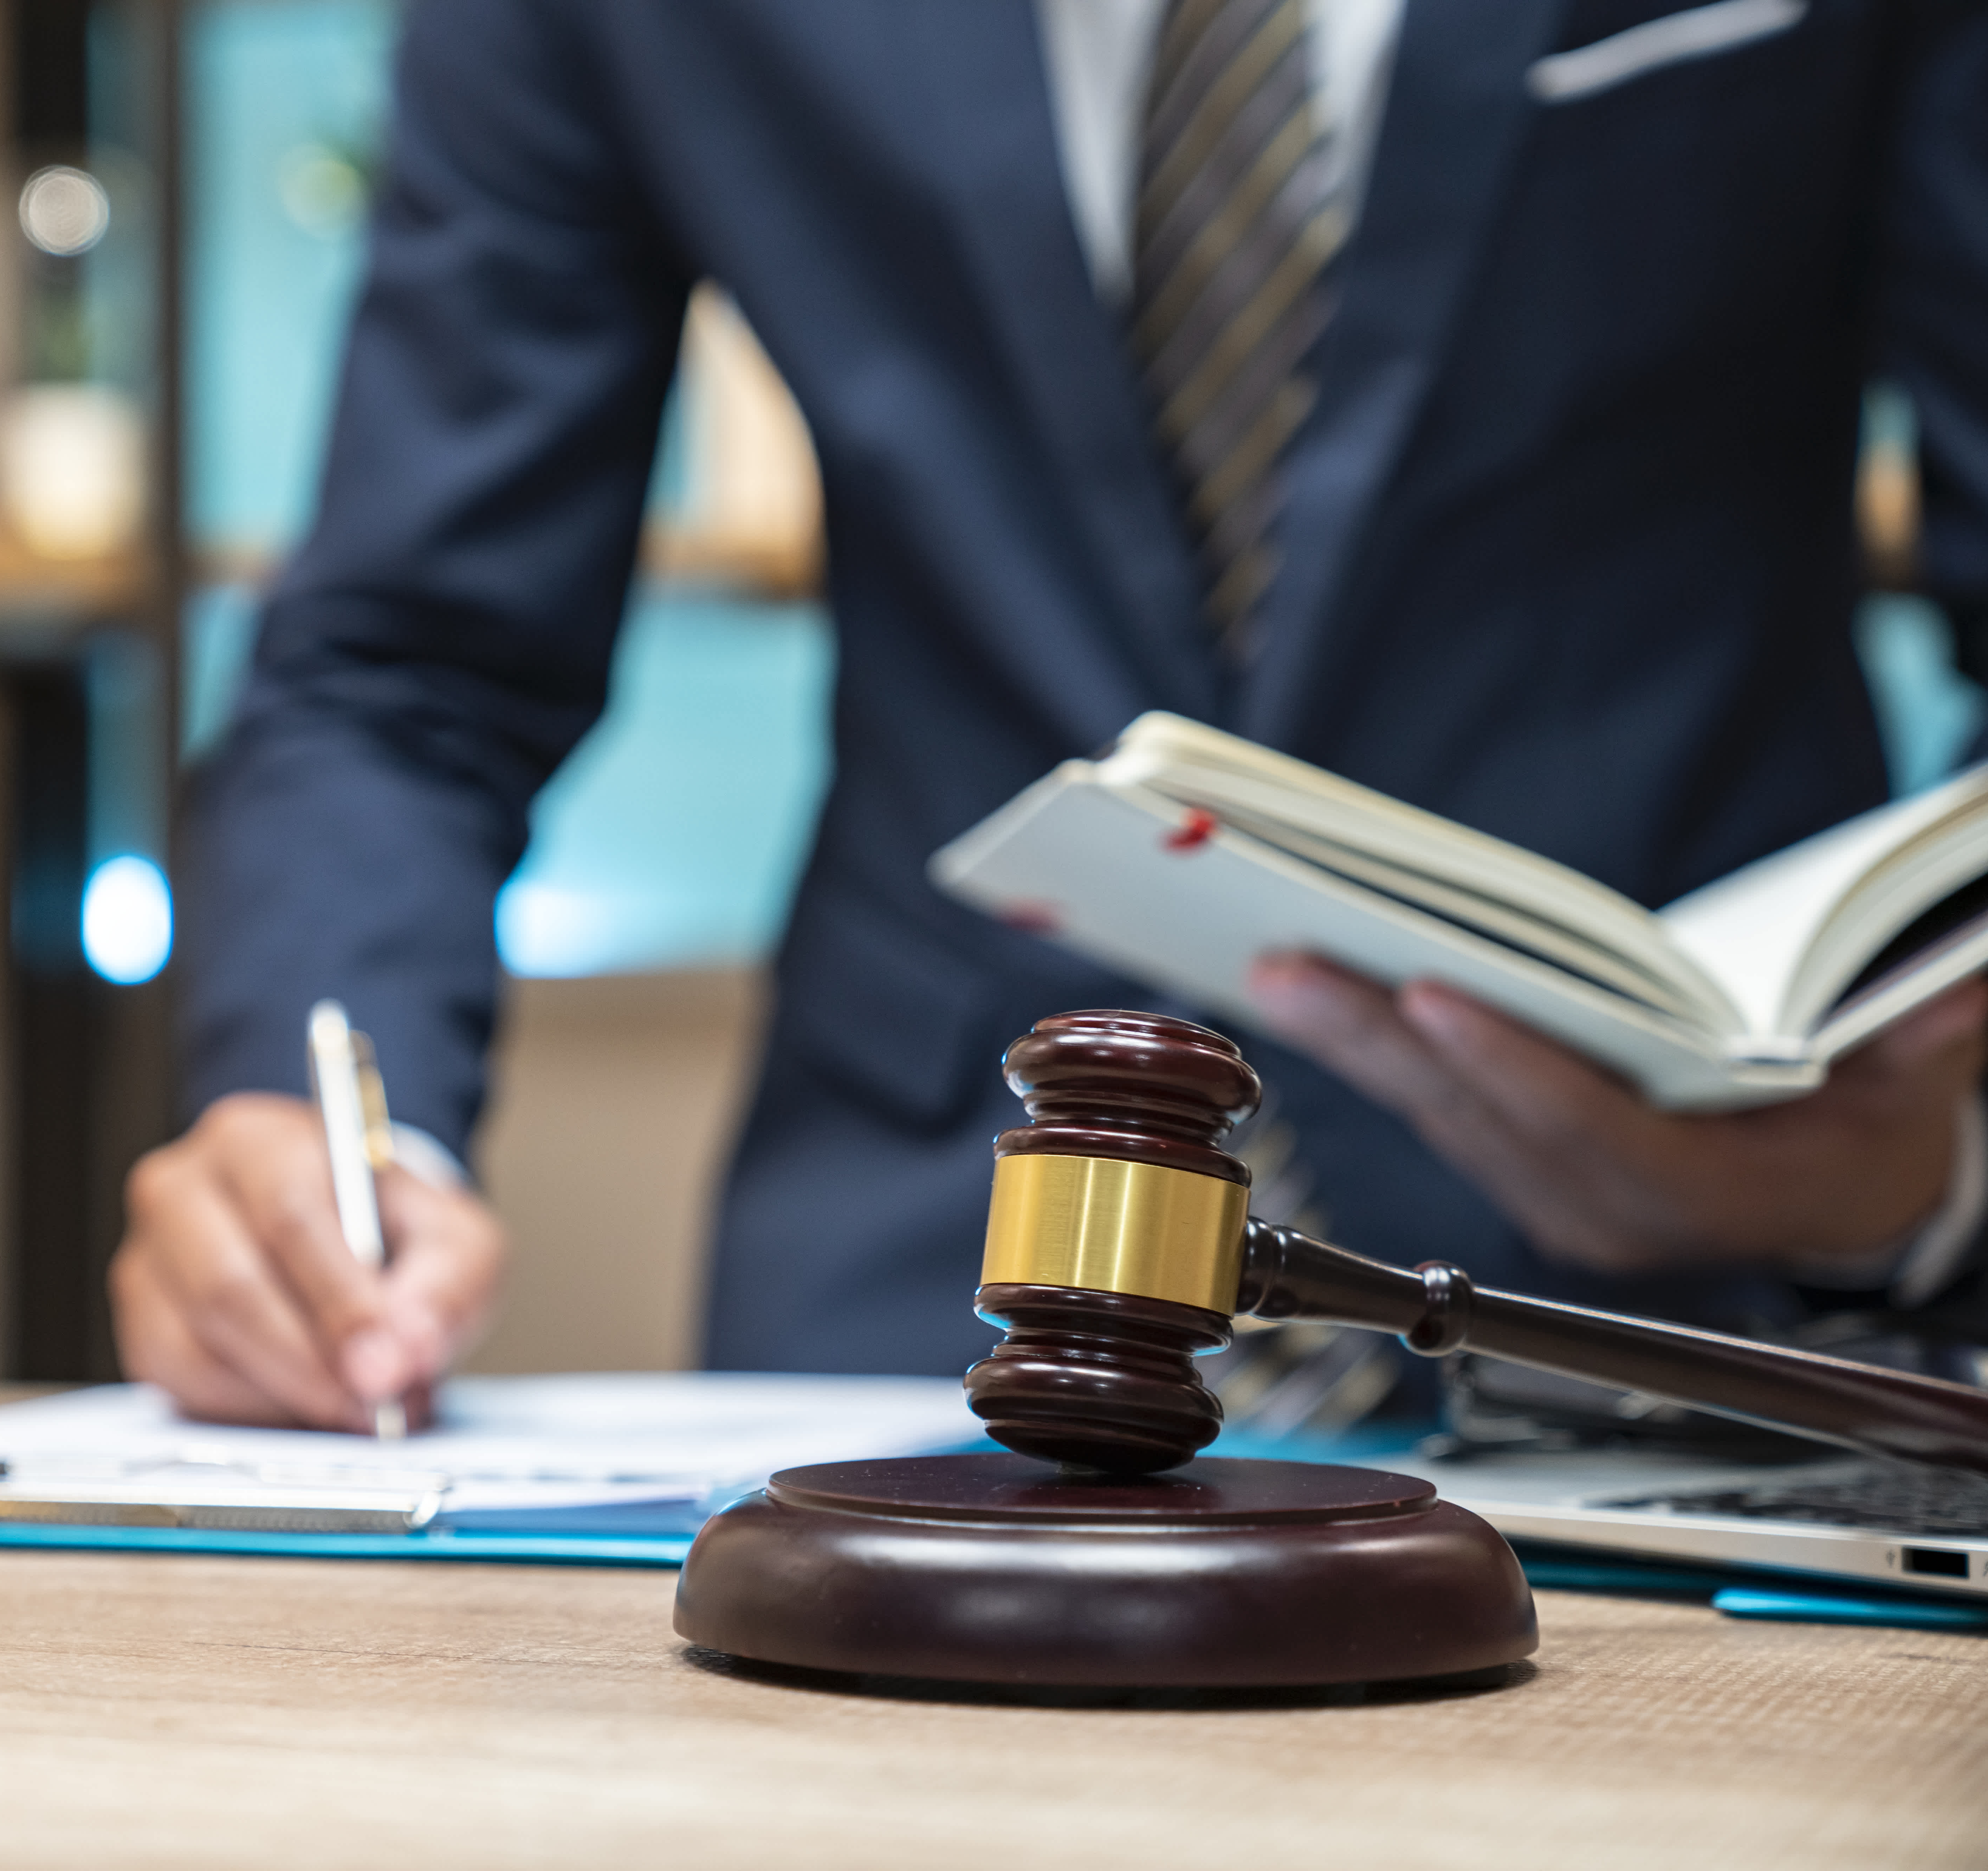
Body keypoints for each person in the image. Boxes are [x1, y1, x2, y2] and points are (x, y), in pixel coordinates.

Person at [115, 0, 1988, 1432]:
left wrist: (1937, 1155)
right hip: (919, 1320)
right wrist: (332, 1138)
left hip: (1718, 1324)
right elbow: (402, 667)